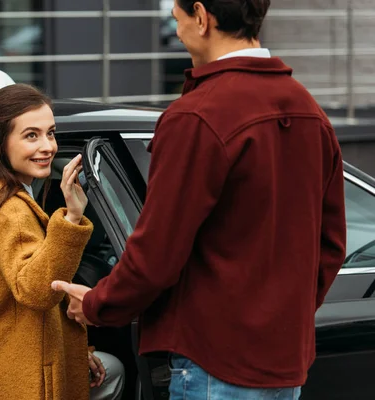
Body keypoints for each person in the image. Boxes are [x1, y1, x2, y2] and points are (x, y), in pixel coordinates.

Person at [52, 1, 346, 400]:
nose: (177, 32)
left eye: (177, 19)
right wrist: (282, 324)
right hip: (284, 366)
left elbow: (157, 255)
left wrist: (96, 304)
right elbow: (330, 246)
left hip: (212, 364)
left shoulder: (198, 116)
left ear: (202, 17)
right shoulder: (311, 113)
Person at [0, 83, 123, 400]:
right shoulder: (11, 211)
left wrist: (79, 352)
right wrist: (72, 218)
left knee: (109, 367)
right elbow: (38, 291)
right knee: (116, 371)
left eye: (50, 133)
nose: (48, 146)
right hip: (21, 383)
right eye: (31, 135)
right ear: (0, 143)